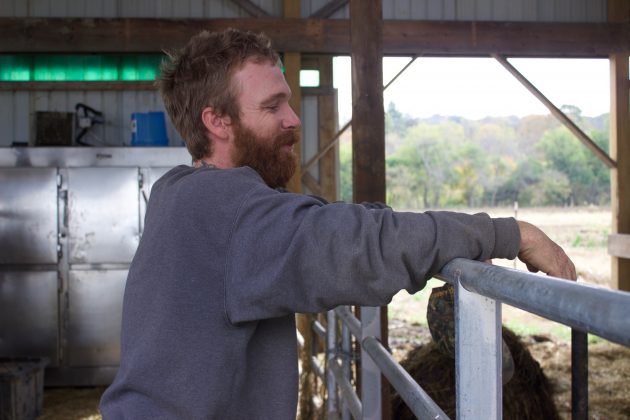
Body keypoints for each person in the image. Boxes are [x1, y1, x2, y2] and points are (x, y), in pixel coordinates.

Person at [99, 28, 575, 419]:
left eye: (288, 102)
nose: (292, 119)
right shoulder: (225, 210)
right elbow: (357, 245)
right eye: (272, 107)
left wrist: (453, 243)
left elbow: (329, 222)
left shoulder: (182, 193)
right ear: (217, 121)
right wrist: (508, 234)